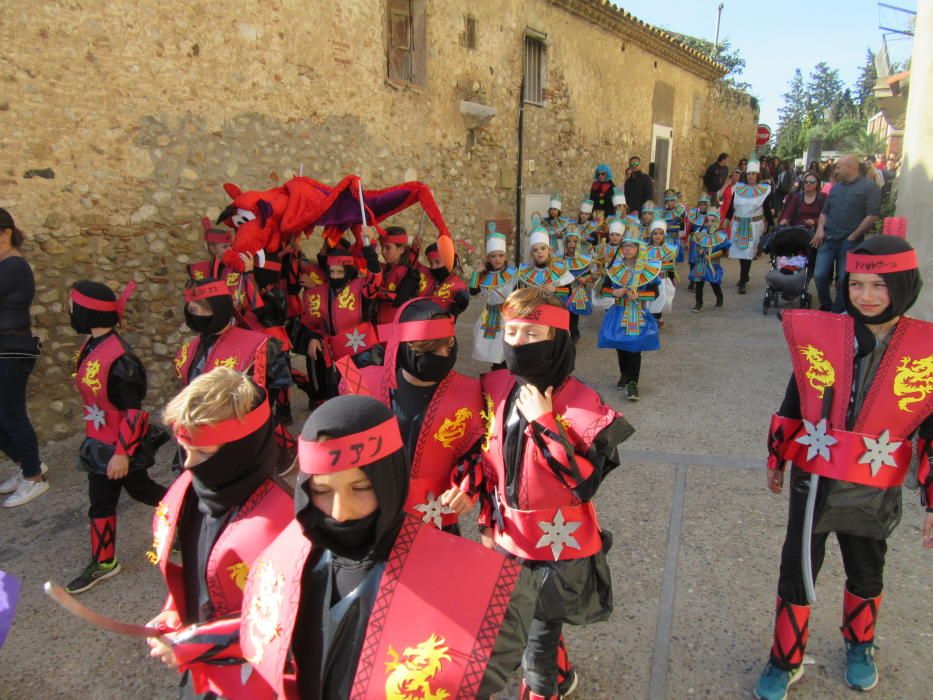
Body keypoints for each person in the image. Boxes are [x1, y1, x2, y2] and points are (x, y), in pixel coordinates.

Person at [238, 394, 536, 699]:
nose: (341, 511)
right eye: (322, 491)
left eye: (361, 487)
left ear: (391, 478)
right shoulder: (286, 559)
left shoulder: (488, 594)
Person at [754, 235, 932, 700]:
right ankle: (784, 659)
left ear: (904, 284)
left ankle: (860, 644)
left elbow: (930, 429)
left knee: (867, 565)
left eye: (879, 285)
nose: (866, 296)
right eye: (857, 284)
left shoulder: (925, 349)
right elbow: (797, 396)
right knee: (797, 564)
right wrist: (778, 455)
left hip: (875, 482)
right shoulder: (826, 333)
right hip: (814, 475)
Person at [479, 288, 634, 698]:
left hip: (555, 547)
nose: (516, 343)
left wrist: (545, 422)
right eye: (510, 332)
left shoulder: (584, 405)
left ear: (558, 338)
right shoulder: (497, 388)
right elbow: (488, 461)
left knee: (537, 645)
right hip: (510, 539)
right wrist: (483, 515)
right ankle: (562, 676)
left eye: (531, 334)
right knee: (527, 626)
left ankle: (547, 686)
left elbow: (584, 483)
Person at [146, 367, 293, 699]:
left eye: (203, 454)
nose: (187, 466)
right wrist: (175, 608)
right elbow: (197, 571)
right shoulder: (195, 492)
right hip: (198, 663)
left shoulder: (285, 522)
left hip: (253, 681)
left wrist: (200, 642)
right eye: (184, 450)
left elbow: (290, 622)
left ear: (242, 449)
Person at [66, 281, 168, 593]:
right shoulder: (91, 346)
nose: (68, 311)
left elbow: (133, 412)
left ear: (87, 312)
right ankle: (105, 561)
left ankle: (187, 515)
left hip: (120, 446)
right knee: (100, 502)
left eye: (72, 305)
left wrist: (122, 453)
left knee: (142, 490)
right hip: (99, 444)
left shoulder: (121, 358)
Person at [351, 298, 485, 534]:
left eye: (449, 344)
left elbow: (477, 453)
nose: (444, 355)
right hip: (377, 513)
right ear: (403, 347)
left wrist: (466, 487)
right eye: (432, 349)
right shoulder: (364, 386)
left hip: (439, 515)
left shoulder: (472, 394)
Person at [176, 278, 295, 473]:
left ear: (221, 308)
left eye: (204, 309)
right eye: (193, 310)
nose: (198, 315)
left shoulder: (260, 345)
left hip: (245, 431)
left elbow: (270, 393)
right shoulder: (189, 349)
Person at [0, 209, 49, 508]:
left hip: (12, 349)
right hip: (5, 347)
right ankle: (28, 464)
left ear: (5, 233)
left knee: (12, 414)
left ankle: (34, 478)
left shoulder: (13, 266)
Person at [292, 244, 382, 403]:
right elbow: (314, 322)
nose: (335, 276)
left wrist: (371, 255)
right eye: (332, 272)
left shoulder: (360, 286)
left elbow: (374, 282)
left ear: (347, 271)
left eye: (340, 272)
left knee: (367, 388)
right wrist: (313, 337)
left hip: (361, 347)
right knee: (346, 390)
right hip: (337, 350)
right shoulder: (319, 292)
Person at [811, 155, 882, 313]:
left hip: (850, 242)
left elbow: (873, 215)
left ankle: (838, 311)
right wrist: (820, 229)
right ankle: (826, 305)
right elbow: (824, 212)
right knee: (820, 275)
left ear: (849, 167)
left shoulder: (869, 187)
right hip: (829, 239)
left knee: (845, 279)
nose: (835, 171)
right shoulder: (836, 188)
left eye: (838, 167)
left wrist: (854, 235)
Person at [596, 232, 661, 399]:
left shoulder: (649, 269)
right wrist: (614, 292)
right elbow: (603, 289)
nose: (627, 249)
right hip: (618, 311)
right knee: (620, 345)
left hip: (637, 313)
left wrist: (639, 296)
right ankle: (624, 374)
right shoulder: (615, 267)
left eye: (631, 246)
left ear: (640, 248)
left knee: (634, 348)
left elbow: (655, 294)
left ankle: (633, 382)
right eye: (624, 246)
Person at [471, 227, 519, 367]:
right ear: (488, 258)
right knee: (493, 349)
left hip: (508, 314)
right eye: (493, 256)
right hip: (490, 315)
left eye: (500, 255)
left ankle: (506, 374)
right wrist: (476, 273)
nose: (497, 259)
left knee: (507, 347)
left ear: (505, 256)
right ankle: (496, 372)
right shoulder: (484, 275)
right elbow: (473, 291)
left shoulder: (514, 274)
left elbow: (518, 294)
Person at [725, 158, 773, 294]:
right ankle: (744, 276)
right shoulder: (739, 189)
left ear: (758, 175)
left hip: (753, 225)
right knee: (742, 252)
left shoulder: (764, 190)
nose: (751, 176)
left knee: (748, 252)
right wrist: (725, 222)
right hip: (739, 224)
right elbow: (730, 208)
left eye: (753, 174)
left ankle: (743, 280)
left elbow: (767, 209)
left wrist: (772, 226)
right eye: (749, 174)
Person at [375, 226, 427, 325]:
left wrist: (375, 291)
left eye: (388, 248)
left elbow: (398, 300)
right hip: (378, 325)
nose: (383, 252)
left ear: (402, 249)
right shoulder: (384, 269)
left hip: (396, 328)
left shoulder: (409, 275)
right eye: (382, 247)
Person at [517, 228, 575, 303]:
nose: (539, 252)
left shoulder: (559, 268)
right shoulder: (525, 272)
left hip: (553, 309)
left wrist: (555, 290)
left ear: (549, 250)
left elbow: (568, 291)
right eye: (535, 250)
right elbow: (521, 293)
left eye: (543, 248)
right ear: (532, 254)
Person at [688, 212, 730, 312]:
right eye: (707, 220)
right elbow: (697, 245)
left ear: (717, 222)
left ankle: (719, 298)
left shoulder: (721, 236)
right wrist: (700, 251)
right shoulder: (700, 234)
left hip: (713, 264)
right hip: (701, 263)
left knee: (714, 283)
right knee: (699, 283)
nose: (709, 223)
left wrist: (711, 256)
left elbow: (724, 251)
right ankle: (699, 304)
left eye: (712, 221)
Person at [561, 227, 594, 342]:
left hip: (577, 291)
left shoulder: (584, 260)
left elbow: (590, 276)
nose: (571, 244)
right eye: (569, 242)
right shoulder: (560, 260)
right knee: (564, 313)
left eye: (574, 242)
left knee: (574, 314)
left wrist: (585, 278)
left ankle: (573, 334)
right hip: (564, 291)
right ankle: (566, 334)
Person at [423, 242, 470, 317]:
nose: (433, 267)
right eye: (431, 264)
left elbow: (463, 300)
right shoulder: (428, 276)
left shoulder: (458, 286)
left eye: (437, 262)